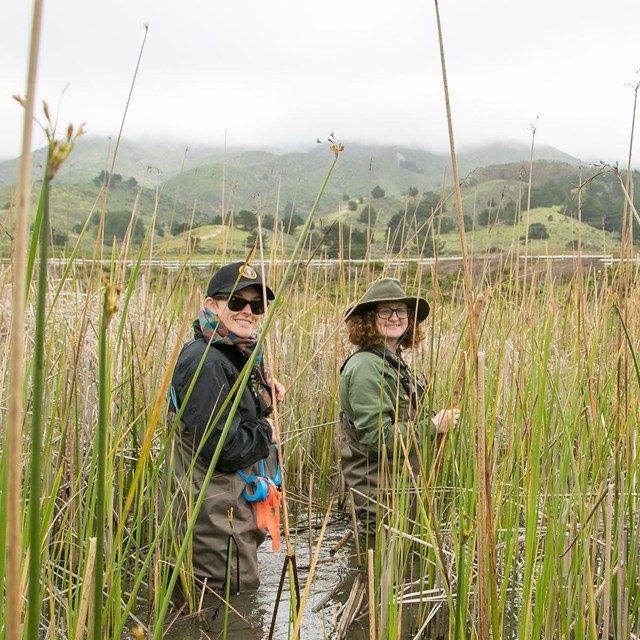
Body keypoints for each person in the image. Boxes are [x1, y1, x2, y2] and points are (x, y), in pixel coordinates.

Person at [166, 260, 285, 593]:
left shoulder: (229, 353)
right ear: (211, 305)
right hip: (216, 522)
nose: (248, 311)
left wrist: (263, 397)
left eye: (256, 305)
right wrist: (266, 432)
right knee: (228, 609)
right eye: (236, 302)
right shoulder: (206, 361)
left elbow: (226, 412)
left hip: (231, 513)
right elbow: (224, 447)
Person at [339, 277, 459, 537]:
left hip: (400, 492)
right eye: (385, 310)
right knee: (380, 570)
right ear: (369, 318)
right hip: (382, 499)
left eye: (401, 310)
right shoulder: (365, 368)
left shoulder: (389, 361)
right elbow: (377, 438)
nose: (395, 317)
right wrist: (434, 426)